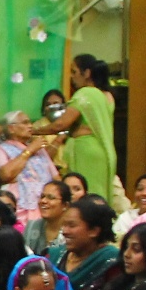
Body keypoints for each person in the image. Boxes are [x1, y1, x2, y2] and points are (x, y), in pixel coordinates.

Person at [41, 54, 116, 202]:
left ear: (87, 73)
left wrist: (34, 131)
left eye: (74, 72)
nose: (71, 77)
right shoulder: (107, 96)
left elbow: (60, 124)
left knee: (83, 194)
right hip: (100, 152)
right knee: (97, 192)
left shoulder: (86, 94)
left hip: (86, 150)